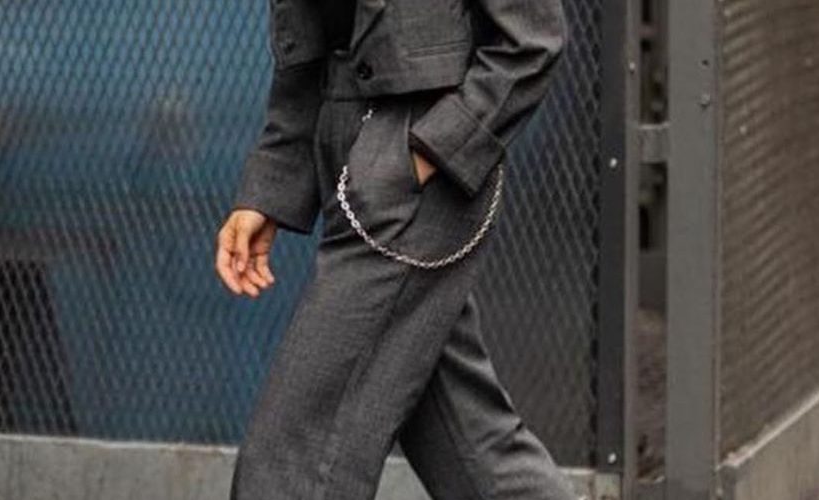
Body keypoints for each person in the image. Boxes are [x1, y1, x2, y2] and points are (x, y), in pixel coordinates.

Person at [214, 0, 570, 497]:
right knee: (473, 449)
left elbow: (533, 39)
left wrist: (429, 154)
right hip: (352, 151)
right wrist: (271, 185)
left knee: (293, 461)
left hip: (419, 170)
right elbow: (311, 36)